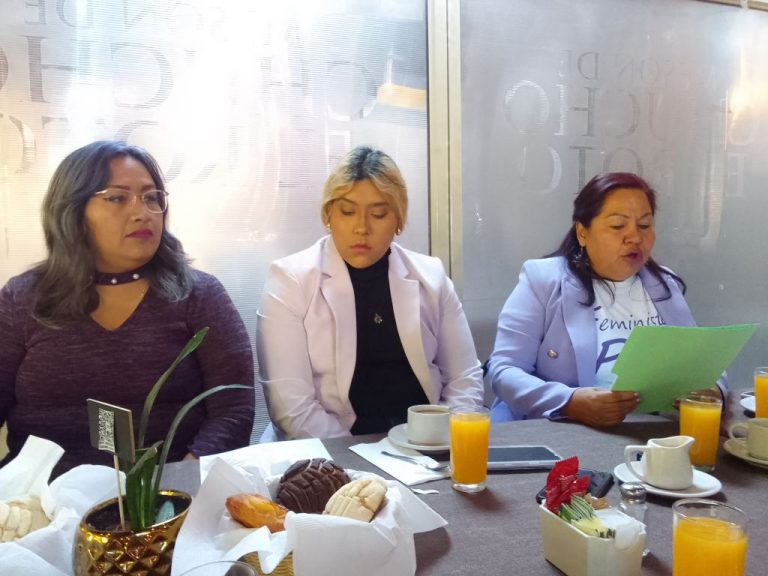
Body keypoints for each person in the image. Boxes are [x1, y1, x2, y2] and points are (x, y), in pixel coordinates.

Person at [0, 141, 255, 476]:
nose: (142, 212)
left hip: (168, 493)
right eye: (117, 198)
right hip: (39, 496)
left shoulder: (200, 295)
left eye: (152, 198)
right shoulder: (22, 298)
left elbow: (234, 408)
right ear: (72, 211)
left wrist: (178, 485)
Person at [257, 146, 484, 440]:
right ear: (328, 214)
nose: (361, 227)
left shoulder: (431, 277)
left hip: (424, 446)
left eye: (378, 214)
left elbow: (464, 378)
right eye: (347, 212)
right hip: (330, 450)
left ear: (398, 220)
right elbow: (292, 410)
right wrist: (358, 457)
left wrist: (439, 439)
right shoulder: (290, 280)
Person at [487, 172, 724, 428]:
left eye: (644, 225)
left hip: (652, 434)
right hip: (561, 432)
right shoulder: (543, 280)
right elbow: (504, 370)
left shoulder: (664, 284)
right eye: (618, 226)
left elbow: (702, 361)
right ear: (582, 233)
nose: (635, 237)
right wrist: (570, 401)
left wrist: (712, 390)